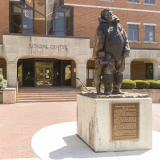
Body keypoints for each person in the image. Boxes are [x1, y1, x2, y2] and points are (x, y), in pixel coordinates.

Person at [93, 8, 130, 95]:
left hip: (120, 53)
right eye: (107, 15)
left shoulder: (118, 25)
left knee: (119, 71)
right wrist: (99, 52)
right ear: (103, 16)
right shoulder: (101, 27)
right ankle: (108, 90)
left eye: (110, 14)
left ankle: (117, 89)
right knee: (107, 71)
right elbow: (98, 40)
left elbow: (125, 37)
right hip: (107, 54)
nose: (109, 16)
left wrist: (126, 49)